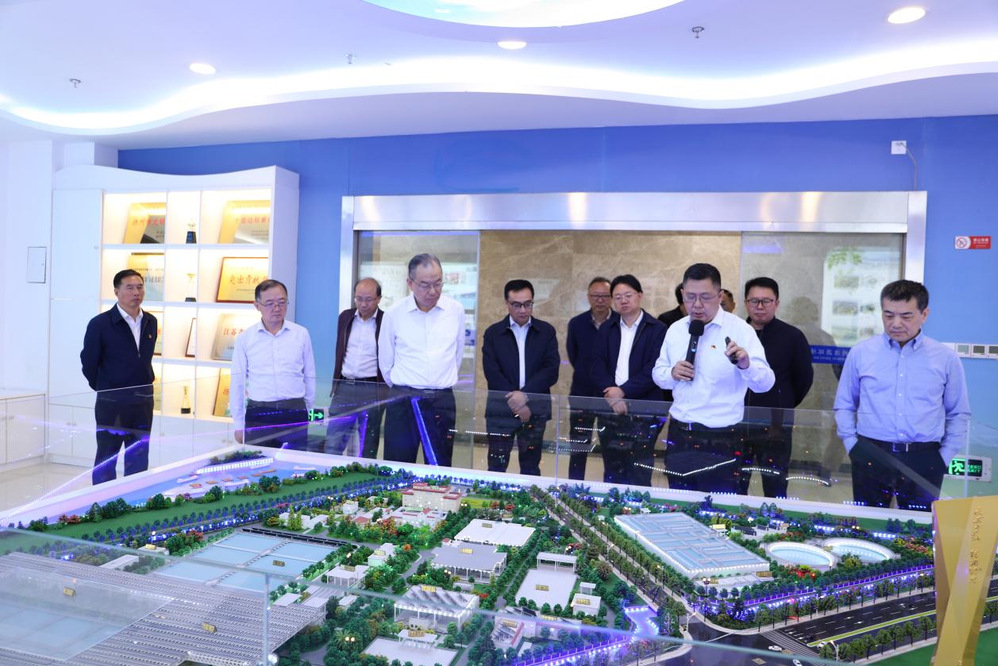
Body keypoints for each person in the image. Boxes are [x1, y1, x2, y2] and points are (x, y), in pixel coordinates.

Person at [834, 279, 970, 511]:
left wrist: (943, 458)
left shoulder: (945, 358)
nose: (895, 323)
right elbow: (844, 404)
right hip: (870, 453)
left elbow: (958, 413)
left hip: (924, 457)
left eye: (906, 316)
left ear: (924, 314)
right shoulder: (861, 353)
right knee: (867, 523)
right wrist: (852, 446)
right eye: (888, 315)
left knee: (917, 528)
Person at [653, 263, 774, 493]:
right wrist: (671, 373)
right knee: (679, 503)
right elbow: (658, 374)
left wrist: (746, 365)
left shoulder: (740, 330)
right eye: (690, 297)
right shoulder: (675, 329)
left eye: (706, 297)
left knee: (719, 508)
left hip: (722, 438)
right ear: (682, 295)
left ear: (719, 296)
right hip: (680, 434)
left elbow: (766, 384)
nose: (697, 305)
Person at [379, 253, 465, 466]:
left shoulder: (455, 311)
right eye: (425, 285)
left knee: (439, 465)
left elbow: (457, 355)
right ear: (410, 283)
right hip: (403, 400)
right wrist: (407, 386)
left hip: (441, 401)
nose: (433, 291)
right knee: (398, 464)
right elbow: (386, 363)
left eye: (438, 283)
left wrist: (437, 381)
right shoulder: (394, 314)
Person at [739, 277, 814, 498]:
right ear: (746, 303)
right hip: (735, 422)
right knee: (734, 483)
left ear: (777, 303)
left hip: (775, 426)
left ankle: (774, 518)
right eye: (754, 301)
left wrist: (782, 403)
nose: (760, 306)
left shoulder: (792, 336)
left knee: (775, 484)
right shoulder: (736, 333)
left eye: (766, 301)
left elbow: (803, 380)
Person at [80, 269, 157, 485]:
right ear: (116, 291)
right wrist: (106, 388)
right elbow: (88, 363)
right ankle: (103, 500)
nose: (136, 292)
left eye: (140, 287)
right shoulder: (100, 324)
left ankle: (134, 497)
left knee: (139, 454)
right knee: (107, 455)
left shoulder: (150, 321)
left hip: (142, 400)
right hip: (112, 401)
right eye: (129, 287)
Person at [591, 275, 667, 486]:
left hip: (644, 410)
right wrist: (612, 395)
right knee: (612, 468)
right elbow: (596, 365)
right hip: (611, 409)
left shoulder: (657, 328)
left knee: (640, 469)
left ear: (639, 295)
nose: (623, 301)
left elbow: (654, 369)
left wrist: (622, 392)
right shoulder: (607, 328)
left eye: (628, 295)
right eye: (618, 297)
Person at [482, 280, 560, 475]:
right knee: (497, 465)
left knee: (531, 466)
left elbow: (551, 370)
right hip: (501, 411)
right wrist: (515, 402)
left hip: (535, 410)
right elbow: (492, 372)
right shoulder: (493, 333)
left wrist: (524, 396)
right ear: (507, 304)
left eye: (528, 304)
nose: (523, 310)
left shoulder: (546, 332)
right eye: (517, 305)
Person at [230, 279, 316, 449]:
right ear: (257, 306)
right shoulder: (245, 338)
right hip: (259, 413)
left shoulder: (301, 334)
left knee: (294, 462)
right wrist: (238, 424)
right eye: (270, 303)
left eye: (282, 302)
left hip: (294, 410)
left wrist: (308, 411)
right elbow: (237, 383)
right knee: (259, 462)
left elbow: (310, 375)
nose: (277, 308)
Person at [326, 278, 386, 458]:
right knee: (333, 443)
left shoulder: (386, 321)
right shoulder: (346, 317)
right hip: (344, 387)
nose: (363, 304)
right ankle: (330, 473)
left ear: (379, 299)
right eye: (359, 299)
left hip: (372, 390)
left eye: (368, 299)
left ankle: (364, 475)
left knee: (367, 445)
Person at [565, 277, 613, 480]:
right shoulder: (577, 323)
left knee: (611, 449)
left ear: (611, 298)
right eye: (595, 296)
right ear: (588, 297)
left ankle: (610, 488)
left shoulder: (619, 323)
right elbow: (573, 355)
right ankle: (573, 488)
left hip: (610, 396)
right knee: (578, 446)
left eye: (604, 296)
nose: (599, 300)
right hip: (582, 393)